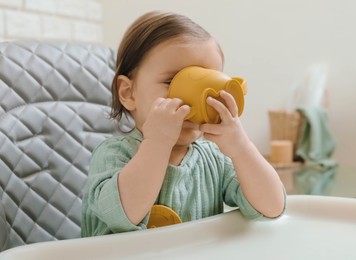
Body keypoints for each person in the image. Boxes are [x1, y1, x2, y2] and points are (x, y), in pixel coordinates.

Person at [81, 11, 286, 237]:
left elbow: (271, 208)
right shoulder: (114, 154)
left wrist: (241, 148)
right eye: (172, 81)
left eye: (207, 84)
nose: (193, 98)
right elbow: (121, 214)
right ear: (129, 93)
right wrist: (157, 143)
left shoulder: (215, 159)